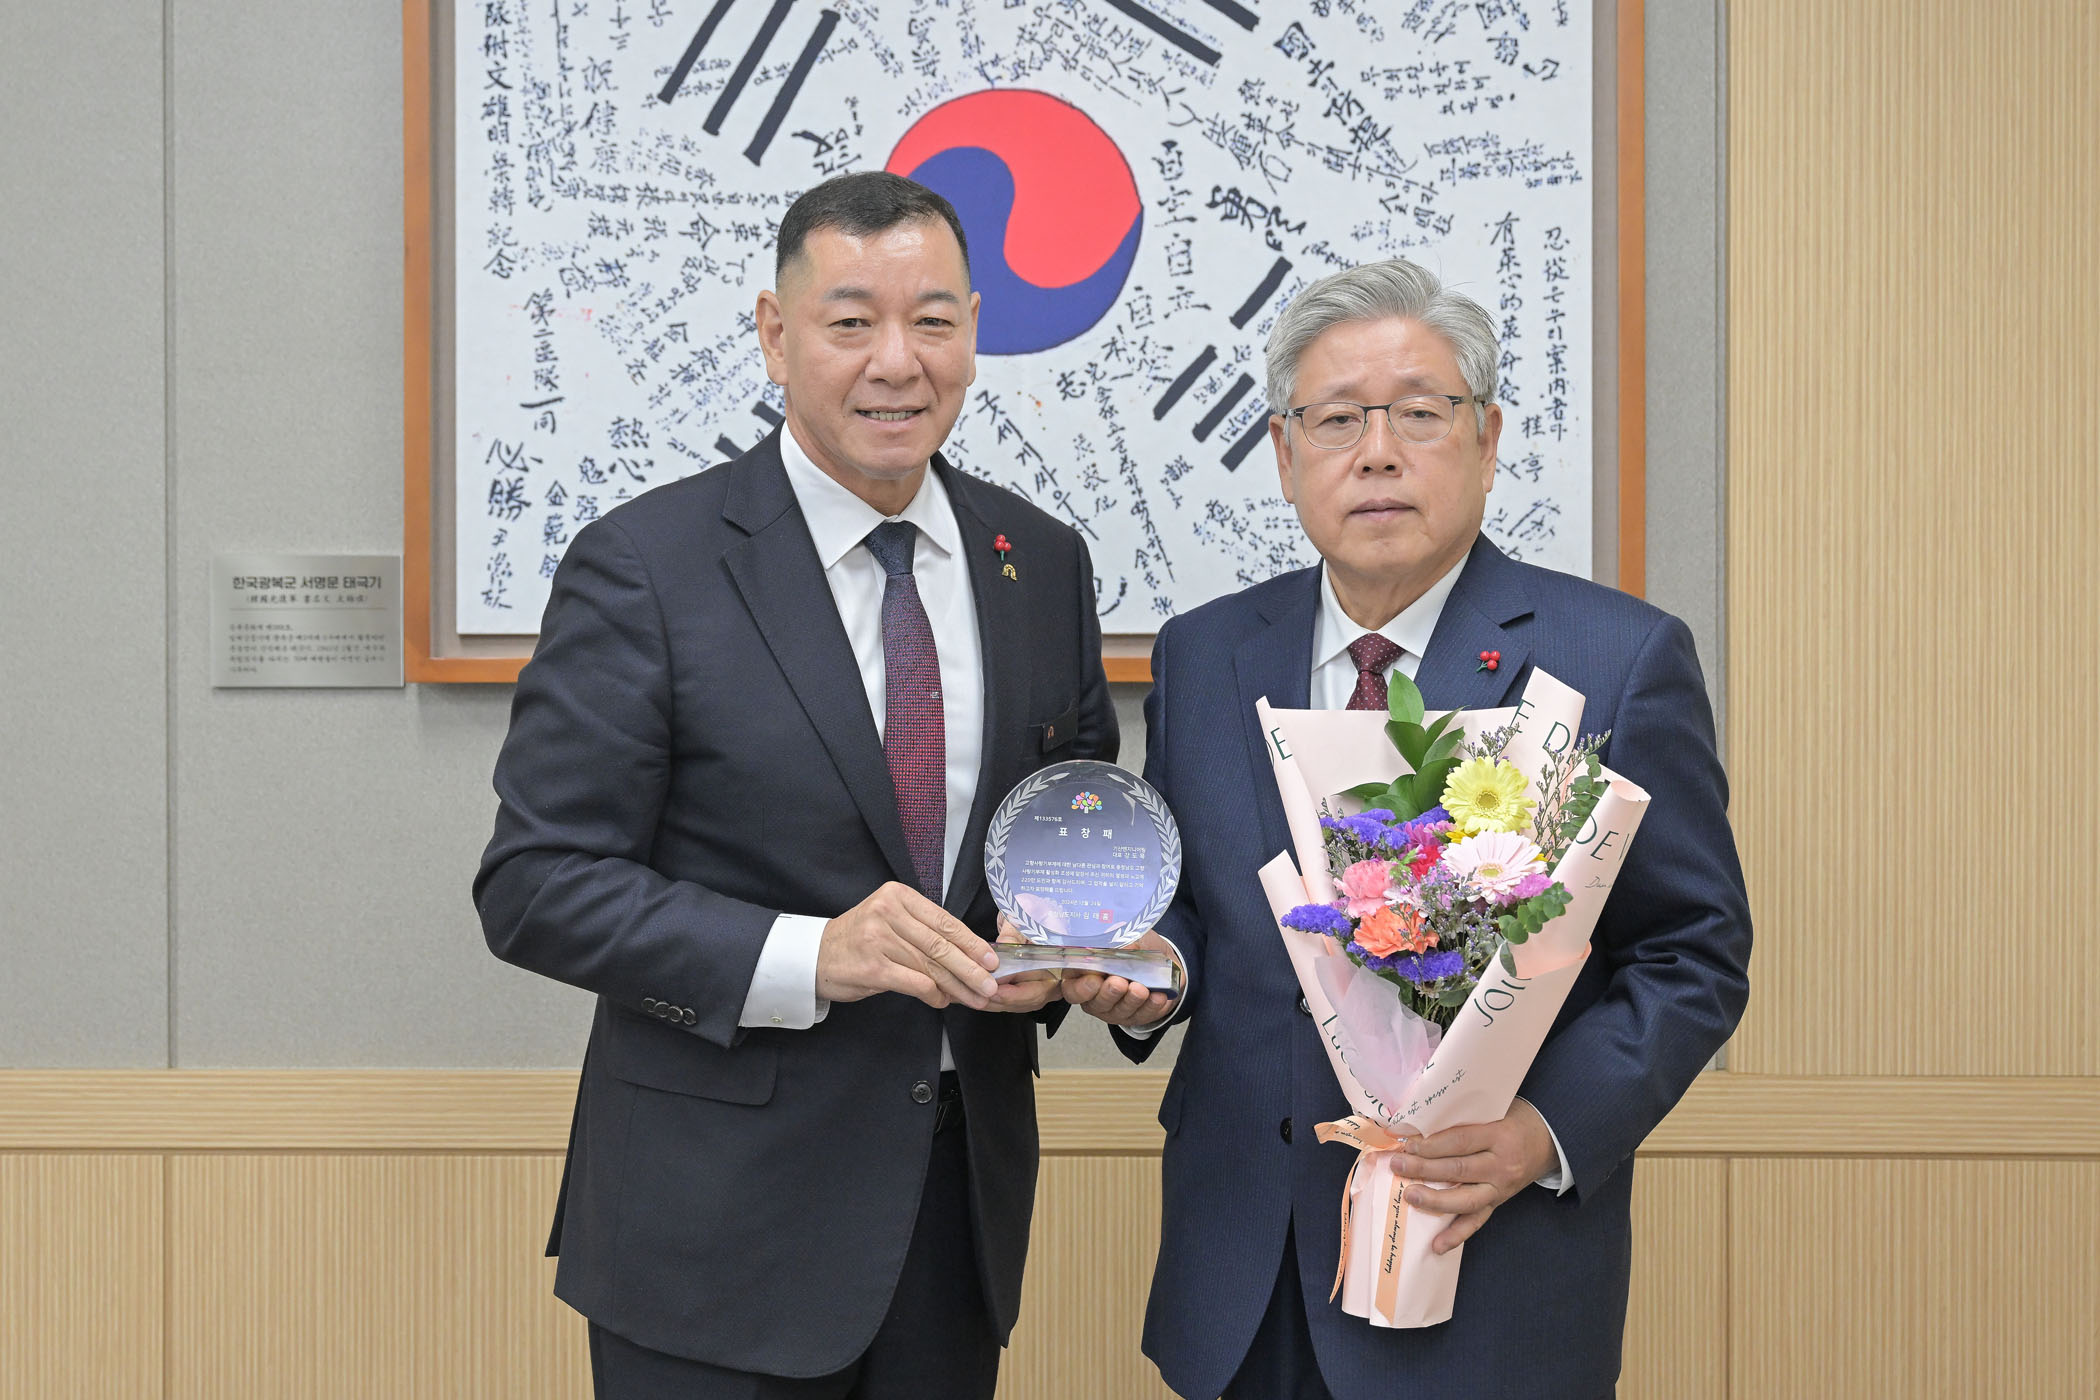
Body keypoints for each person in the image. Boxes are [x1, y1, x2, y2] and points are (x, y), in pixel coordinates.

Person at [475, 170, 1117, 1400]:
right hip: (713, 1234)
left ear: (976, 332)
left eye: (933, 321)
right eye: (850, 322)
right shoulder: (647, 565)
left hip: (953, 1224)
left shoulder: (1037, 560)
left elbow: (1073, 826)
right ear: (776, 336)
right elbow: (535, 885)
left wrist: (1080, 950)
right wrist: (811, 953)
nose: (897, 362)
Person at [1063, 258, 1752, 1400]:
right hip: (1245, 1276)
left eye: (1420, 414)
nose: (1376, 451)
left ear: (1487, 439)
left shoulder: (1615, 659)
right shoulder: (1206, 650)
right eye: (1337, 419)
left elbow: (1692, 953)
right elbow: (1191, 900)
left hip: (1492, 1270)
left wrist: (1544, 1130)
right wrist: (1153, 968)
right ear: (1284, 453)